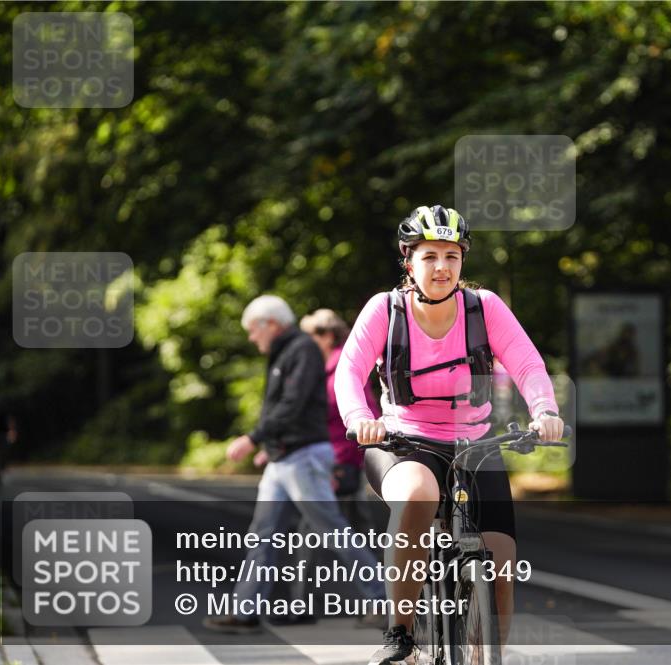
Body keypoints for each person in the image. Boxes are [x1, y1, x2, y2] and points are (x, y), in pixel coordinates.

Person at [335, 205, 564, 664]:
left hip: (474, 446)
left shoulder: (484, 308)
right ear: (409, 260)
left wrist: (545, 410)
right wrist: (362, 418)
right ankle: (400, 634)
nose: (442, 267)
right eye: (430, 256)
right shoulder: (386, 309)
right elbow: (349, 372)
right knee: (418, 495)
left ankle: (488, 656)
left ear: (462, 261)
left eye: (452, 256)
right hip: (401, 442)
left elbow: (526, 362)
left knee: (500, 561)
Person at [203, 295, 385, 634]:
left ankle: (384, 600)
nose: (250, 337)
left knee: (334, 531)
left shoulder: (301, 349)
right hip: (284, 456)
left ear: (270, 323)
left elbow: (293, 403)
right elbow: (282, 408)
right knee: (263, 534)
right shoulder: (286, 351)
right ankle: (245, 611)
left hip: (304, 458)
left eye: (252, 330)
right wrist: (269, 445)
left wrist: (254, 438)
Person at [300, 308, 383, 538]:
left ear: (327, 336)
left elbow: (366, 410)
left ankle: (302, 574)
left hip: (341, 458)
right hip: (337, 457)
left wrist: (346, 461)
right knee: (353, 524)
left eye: (311, 337)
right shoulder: (327, 367)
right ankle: (371, 570)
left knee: (319, 523)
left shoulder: (340, 369)